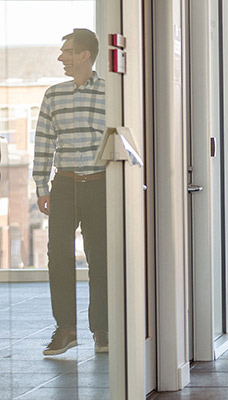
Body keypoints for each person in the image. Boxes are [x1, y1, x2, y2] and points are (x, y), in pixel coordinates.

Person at [33, 28, 108, 356]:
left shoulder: (111, 93)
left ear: (85, 55)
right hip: (63, 185)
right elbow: (43, 142)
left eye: (67, 51)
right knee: (58, 257)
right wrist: (40, 185)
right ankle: (66, 329)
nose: (61, 57)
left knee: (101, 258)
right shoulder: (53, 95)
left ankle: (102, 330)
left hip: (100, 184)